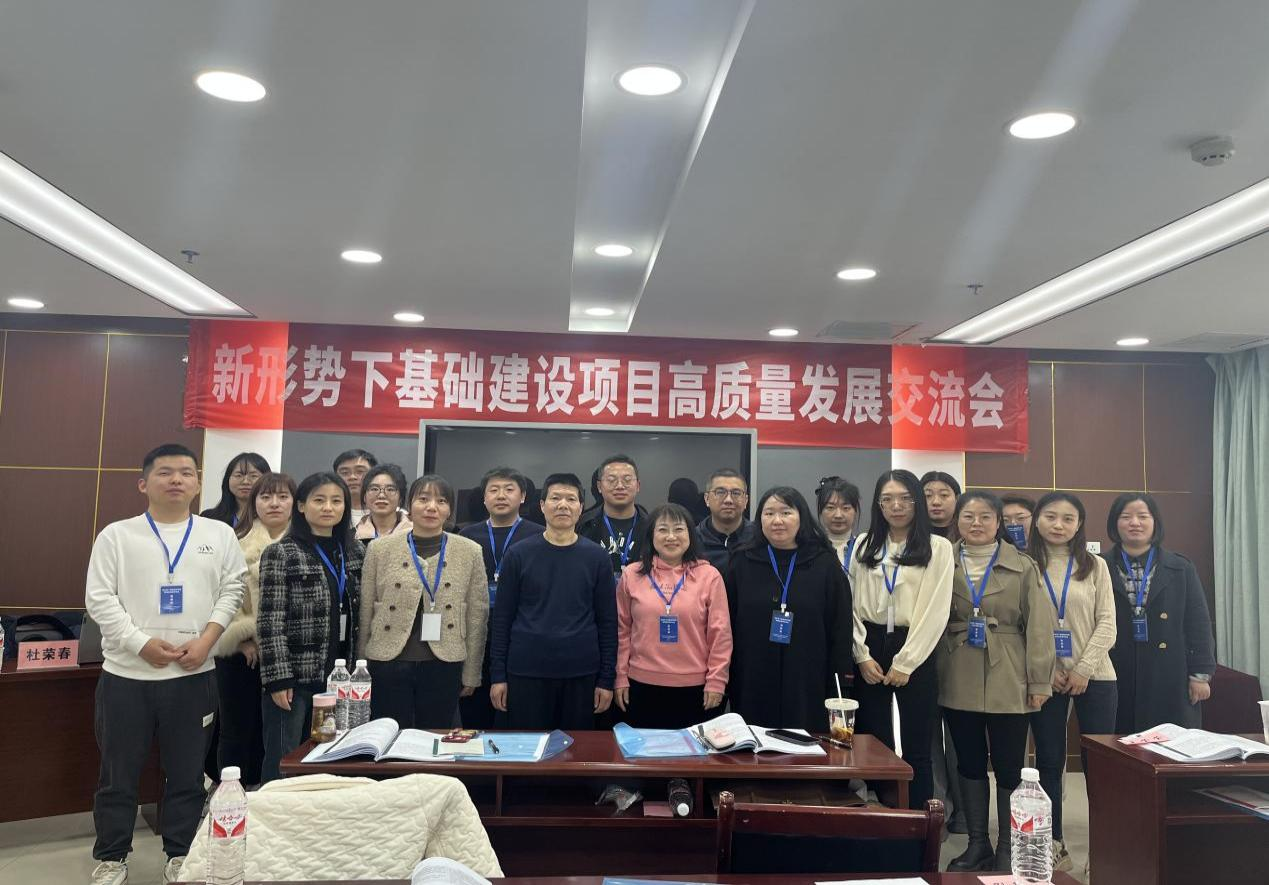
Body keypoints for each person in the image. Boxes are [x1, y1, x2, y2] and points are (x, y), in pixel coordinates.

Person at [86, 443, 246, 885]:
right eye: (165, 472)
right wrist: (139, 644)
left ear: (197, 483)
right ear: (143, 483)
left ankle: (180, 855)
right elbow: (99, 599)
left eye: (186, 473)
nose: (176, 479)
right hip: (126, 676)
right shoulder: (117, 535)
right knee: (117, 774)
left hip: (194, 676)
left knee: (188, 774)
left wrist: (208, 641)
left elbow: (232, 590)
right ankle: (112, 856)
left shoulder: (219, 534)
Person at [941, 491, 1055, 872]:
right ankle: (978, 844)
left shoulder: (1022, 565)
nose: (976, 523)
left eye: (985, 517)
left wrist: (1039, 682)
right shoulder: (942, 560)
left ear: (998, 523)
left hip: (1010, 672)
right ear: (957, 520)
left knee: (1009, 765)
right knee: (969, 762)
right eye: (968, 516)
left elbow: (1039, 626)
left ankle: (1009, 847)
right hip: (957, 670)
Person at [847, 469, 952, 812]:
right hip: (871, 643)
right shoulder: (864, 544)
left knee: (918, 744)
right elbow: (851, 604)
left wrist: (907, 662)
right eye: (888, 499)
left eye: (905, 498)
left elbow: (935, 609)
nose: (896, 506)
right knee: (876, 742)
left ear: (917, 502)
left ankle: (920, 821)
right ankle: (886, 817)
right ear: (878, 505)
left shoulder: (937, 547)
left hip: (915, 644)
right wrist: (861, 654)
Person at [1026, 492, 1117, 873]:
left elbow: (1107, 623)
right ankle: (1053, 843)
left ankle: (1106, 847)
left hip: (1096, 676)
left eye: (1068, 518)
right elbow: (1022, 624)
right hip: (1046, 678)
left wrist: (1083, 669)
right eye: (1050, 516)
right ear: (1036, 520)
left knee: (1100, 764)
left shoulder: (1095, 565)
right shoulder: (1025, 564)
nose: (1058, 525)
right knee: (1049, 761)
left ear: (1079, 525)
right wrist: (1048, 669)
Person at [489, 473, 617, 731]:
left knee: (577, 750)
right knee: (528, 748)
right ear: (542, 505)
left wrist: (606, 679)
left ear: (581, 508)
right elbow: (501, 619)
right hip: (526, 671)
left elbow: (608, 622)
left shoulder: (597, 558)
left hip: (581, 673)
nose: (563, 505)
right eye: (555, 498)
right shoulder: (518, 554)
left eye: (571, 499)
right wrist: (498, 676)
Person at [358, 475, 489, 728]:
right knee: (389, 733)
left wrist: (472, 672)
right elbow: (366, 609)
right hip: (387, 660)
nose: (431, 507)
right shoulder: (379, 549)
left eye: (441, 501)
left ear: (449, 510)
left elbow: (477, 615)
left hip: (444, 662)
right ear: (409, 505)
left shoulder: (470, 551)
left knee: (435, 735)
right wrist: (361, 665)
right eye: (423, 499)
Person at [258, 472, 364, 783]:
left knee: (332, 756)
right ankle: (275, 810)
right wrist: (278, 679)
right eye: (319, 500)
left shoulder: (355, 552)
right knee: (285, 758)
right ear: (302, 506)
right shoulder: (282, 552)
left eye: (336, 501)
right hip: (296, 678)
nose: (328, 507)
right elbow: (269, 620)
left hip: (341, 677)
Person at [723, 486, 853, 732]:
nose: (777, 520)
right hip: (753, 675)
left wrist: (842, 679)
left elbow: (841, 626)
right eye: (769, 513)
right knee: (754, 742)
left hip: (808, 677)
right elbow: (725, 622)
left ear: (801, 517)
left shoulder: (824, 563)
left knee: (804, 743)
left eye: (786, 512)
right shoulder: (741, 561)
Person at [615, 503, 732, 729]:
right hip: (640, 684)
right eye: (662, 530)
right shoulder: (632, 575)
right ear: (651, 536)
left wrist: (716, 681)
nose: (671, 537)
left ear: (690, 535)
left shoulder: (709, 576)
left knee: (693, 752)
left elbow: (720, 635)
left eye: (678, 529)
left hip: (696, 688)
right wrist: (620, 676)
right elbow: (622, 630)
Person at [1105, 493, 1215, 732]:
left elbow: (1198, 623)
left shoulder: (1180, 567)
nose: (1135, 523)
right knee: (1116, 741)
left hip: (1169, 670)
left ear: (1155, 522)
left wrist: (1200, 675)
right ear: (1115, 522)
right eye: (1126, 516)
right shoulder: (1098, 565)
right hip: (1114, 668)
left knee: (1169, 740)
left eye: (1143, 516)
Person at [213, 472, 295, 789]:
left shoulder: (304, 544)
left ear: (295, 503)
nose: (274, 503)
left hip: (289, 654)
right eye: (266, 496)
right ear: (254, 502)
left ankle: (270, 790)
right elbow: (221, 596)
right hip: (243, 653)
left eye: (283, 496)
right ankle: (230, 792)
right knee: (236, 727)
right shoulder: (234, 543)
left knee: (277, 729)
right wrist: (243, 638)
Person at [457, 467, 545, 728]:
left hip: (520, 633)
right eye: (493, 490)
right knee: (475, 711)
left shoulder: (539, 535)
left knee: (516, 712)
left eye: (509, 489)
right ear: (484, 498)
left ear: (523, 496)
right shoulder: (466, 536)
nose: (501, 495)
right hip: (475, 633)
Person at [578, 454, 648, 576]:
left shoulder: (651, 526)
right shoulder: (584, 524)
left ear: (638, 486)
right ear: (599, 486)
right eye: (611, 480)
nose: (620, 486)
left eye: (627, 480)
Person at [696, 468, 755, 571]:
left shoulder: (759, 538)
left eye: (736, 493)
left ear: (746, 500)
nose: (728, 500)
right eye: (720, 492)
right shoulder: (692, 540)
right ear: (707, 499)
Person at [200, 452, 270, 528]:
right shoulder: (209, 518)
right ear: (227, 480)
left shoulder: (274, 519)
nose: (245, 481)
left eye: (253, 476)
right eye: (238, 475)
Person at [354, 463, 411, 543]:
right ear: (364, 497)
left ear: (400, 498)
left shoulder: (414, 535)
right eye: (374, 489)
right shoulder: (351, 537)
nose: (381, 496)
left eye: (390, 489)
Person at [816, 476, 862, 568]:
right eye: (830, 507)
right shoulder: (811, 549)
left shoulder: (865, 548)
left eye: (846, 508)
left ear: (855, 511)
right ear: (821, 511)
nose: (838, 515)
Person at [333, 448, 378, 523]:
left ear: (375, 475)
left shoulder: (394, 514)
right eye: (345, 473)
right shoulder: (329, 512)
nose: (352, 477)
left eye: (360, 471)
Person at [920, 471, 961, 539]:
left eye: (944, 495)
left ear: (957, 499)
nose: (936, 502)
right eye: (928, 495)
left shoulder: (967, 533)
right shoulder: (910, 534)